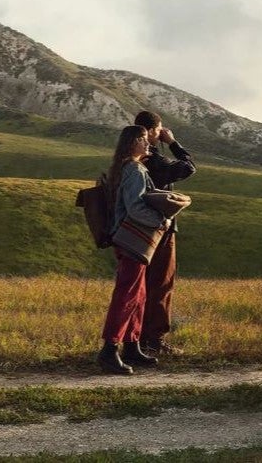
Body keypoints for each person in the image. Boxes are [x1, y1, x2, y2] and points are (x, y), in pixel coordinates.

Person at [99, 125, 170, 374]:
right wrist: (161, 220)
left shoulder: (126, 168)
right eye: (143, 140)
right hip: (133, 241)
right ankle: (110, 349)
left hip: (127, 240)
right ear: (132, 144)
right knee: (127, 295)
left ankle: (132, 346)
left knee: (138, 295)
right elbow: (135, 208)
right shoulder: (135, 170)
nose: (148, 143)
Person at [133, 111, 196, 355]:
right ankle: (154, 339)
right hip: (160, 227)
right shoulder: (153, 159)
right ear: (150, 131)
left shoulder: (131, 159)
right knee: (161, 282)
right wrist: (173, 143)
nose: (161, 134)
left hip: (137, 230)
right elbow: (188, 167)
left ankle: (136, 336)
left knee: (142, 284)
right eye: (158, 130)